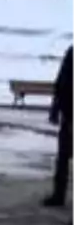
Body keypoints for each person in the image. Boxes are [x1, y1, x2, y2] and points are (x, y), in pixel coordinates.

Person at [44, 44, 74, 207]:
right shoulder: (71, 52)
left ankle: (58, 195)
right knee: (62, 157)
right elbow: (61, 82)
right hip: (68, 112)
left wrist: (55, 108)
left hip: (69, 111)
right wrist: (55, 108)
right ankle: (58, 195)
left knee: (63, 157)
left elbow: (61, 82)